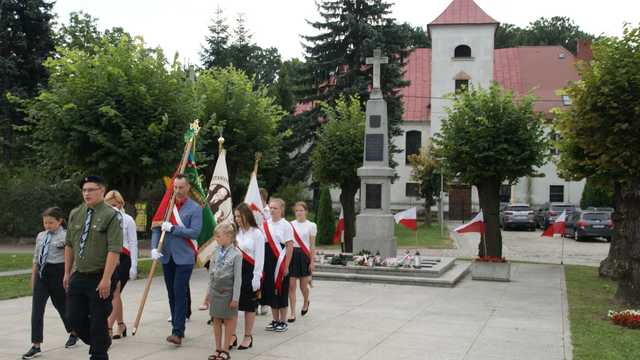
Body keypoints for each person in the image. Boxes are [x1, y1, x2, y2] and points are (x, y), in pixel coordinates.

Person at [64, 176, 123, 360]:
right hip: (79, 275)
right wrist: (67, 272)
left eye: (91, 189)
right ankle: (101, 341)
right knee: (73, 317)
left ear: (102, 191)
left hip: (100, 275)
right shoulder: (76, 213)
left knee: (98, 319)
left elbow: (114, 249)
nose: (86, 193)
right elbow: (69, 244)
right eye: (84, 190)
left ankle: (99, 353)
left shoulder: (111, 215)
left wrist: (106, 279)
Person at [151, 174, 202, 346]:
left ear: (188, 188)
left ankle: (177, 332)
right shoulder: (167, 206)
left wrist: (174, 228)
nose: (178, 191)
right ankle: (176, 325)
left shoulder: (195, 208)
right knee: (171, 293)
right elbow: (156, 228)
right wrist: (153, 248)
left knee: (179, 291)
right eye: (176, 187)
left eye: (181, 187)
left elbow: (194, 232)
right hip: (167, 256)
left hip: (185, 257)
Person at [22, 207, 78, 359]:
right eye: (45, 222)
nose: (47, 225)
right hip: (42, 273)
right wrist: (33, 276)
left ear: (60, 221)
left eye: (51, 223)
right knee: (37, 310)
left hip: (58, 273)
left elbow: (71, 258)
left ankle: (73, 332)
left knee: (62, 306)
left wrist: (68, 274)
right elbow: (36, 257)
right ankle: (36, 344)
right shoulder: (41, 236)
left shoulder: (66, 236)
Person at [104, 190, 138, 339]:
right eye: (109, 205)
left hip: (124, 258)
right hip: (109, 257)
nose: (113, 208)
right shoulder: (103, 219)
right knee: (115, 294)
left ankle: (108, 327)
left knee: (115, 292)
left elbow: (133, 243)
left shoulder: (128, 219)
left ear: (121, 204)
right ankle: (121, 324)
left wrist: (134, 265)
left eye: (115, 205)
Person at [207, 223, 242, 360]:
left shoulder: (236, 255)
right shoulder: (215, 252)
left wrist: (236, 298)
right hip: (215, 291)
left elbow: (238, 279)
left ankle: (226, 350)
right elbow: (211, 274)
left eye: (218, 236)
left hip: (228, 293)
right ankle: (218, 348)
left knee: (228, 321)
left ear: (228, 236)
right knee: (216, 320)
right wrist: (208, 293)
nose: (216, 238)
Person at [234, 203, 265, 349]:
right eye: (235, 216)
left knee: (248, 307)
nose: (237, 219)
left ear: (247, 215)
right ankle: (232, 335)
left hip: (250, 272)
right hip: (236, 272)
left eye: (239, 216)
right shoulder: (236, 233)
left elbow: (260, 257)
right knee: (233, 306)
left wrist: (256, 277)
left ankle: (248, 336)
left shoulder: (257, 233)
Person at [261, 198, 294, 333]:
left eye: (275, 208)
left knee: (282, 290)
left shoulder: (286, 225)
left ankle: (283, 321)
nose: (272, 210)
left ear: (281, 209)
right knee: (271, 290)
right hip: (268, 261)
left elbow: (290, 246)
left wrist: (286, 266)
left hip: (281, 261)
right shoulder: (264, 224)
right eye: (271, 208)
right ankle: (275, 320)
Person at [288, 202, 316, 322]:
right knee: (291, 286)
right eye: (297, 210)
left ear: (306, 211)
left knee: (303, 286)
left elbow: (312, 245)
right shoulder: (290, 225)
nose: (299, 212)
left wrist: (312, 261)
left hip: (304, 256)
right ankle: (293, 312)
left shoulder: (311, 225)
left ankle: (306, 301)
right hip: (292, 255)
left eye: (301, 210)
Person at [257, 187, 270, 316]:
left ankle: (264, 302)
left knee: (264, 275)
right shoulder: (252, 210)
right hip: (254, 246)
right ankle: (254, 301)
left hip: (266, 245)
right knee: (254, 274)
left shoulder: (268, 211)